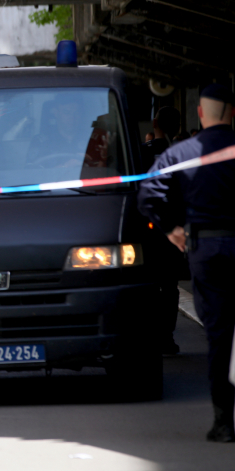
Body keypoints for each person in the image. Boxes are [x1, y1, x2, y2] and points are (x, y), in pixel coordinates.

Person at [138, 84, 235, 442]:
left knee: (220, 334)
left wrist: (171, 229)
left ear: (200, 114)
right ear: (233, 113)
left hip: (206, 249)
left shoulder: (182, 153)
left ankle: (224, 421)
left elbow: (148, 195)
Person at [141, 106, 186, 355]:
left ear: (154, 122)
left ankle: (148, 336)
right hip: (174, 230)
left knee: (148, 285)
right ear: (178, 126)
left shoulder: (141, 152)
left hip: (146, 230)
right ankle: (166, 338)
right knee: (170, 286)